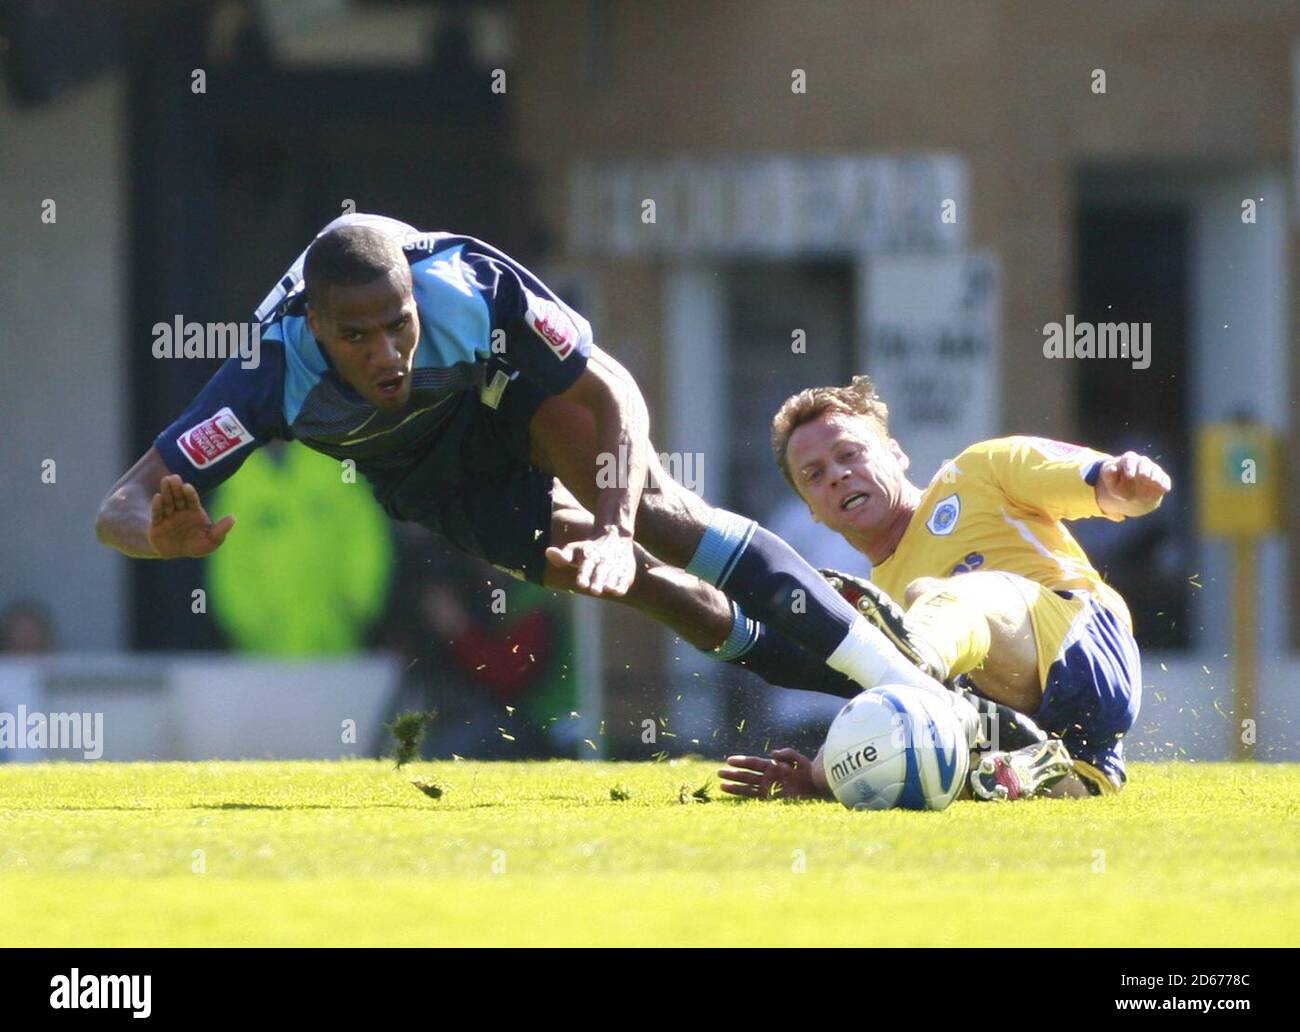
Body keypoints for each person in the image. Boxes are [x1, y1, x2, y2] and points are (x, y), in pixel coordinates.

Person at [95, 214, 973, 738]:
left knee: (661, 521)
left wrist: (617, 529)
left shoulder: (468, 290)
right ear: (316, 329)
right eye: (356, 338)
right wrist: (157, 539)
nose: (388, 352)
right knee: (655, 593)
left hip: (501, 399)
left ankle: (922, 693)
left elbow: (615, 388)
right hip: (433, 481)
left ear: (415, 296)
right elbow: (120, 507)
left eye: (397, 323)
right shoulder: (265, 378)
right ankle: (876, 690)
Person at [717, 375, 1170, 802]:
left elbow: (1106, 487)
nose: (837, 475)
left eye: (850, 453)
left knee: (927, 602)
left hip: (1087, 649)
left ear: (896, 454)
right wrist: (821, 775)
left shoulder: (979, 472)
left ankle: (919, 660)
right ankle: (1043, 772)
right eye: (814, 475)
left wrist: (1130, 485)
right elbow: (886, 715)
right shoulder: (879, 602)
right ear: (811, 509)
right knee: (928, 739)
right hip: (1045, 730)